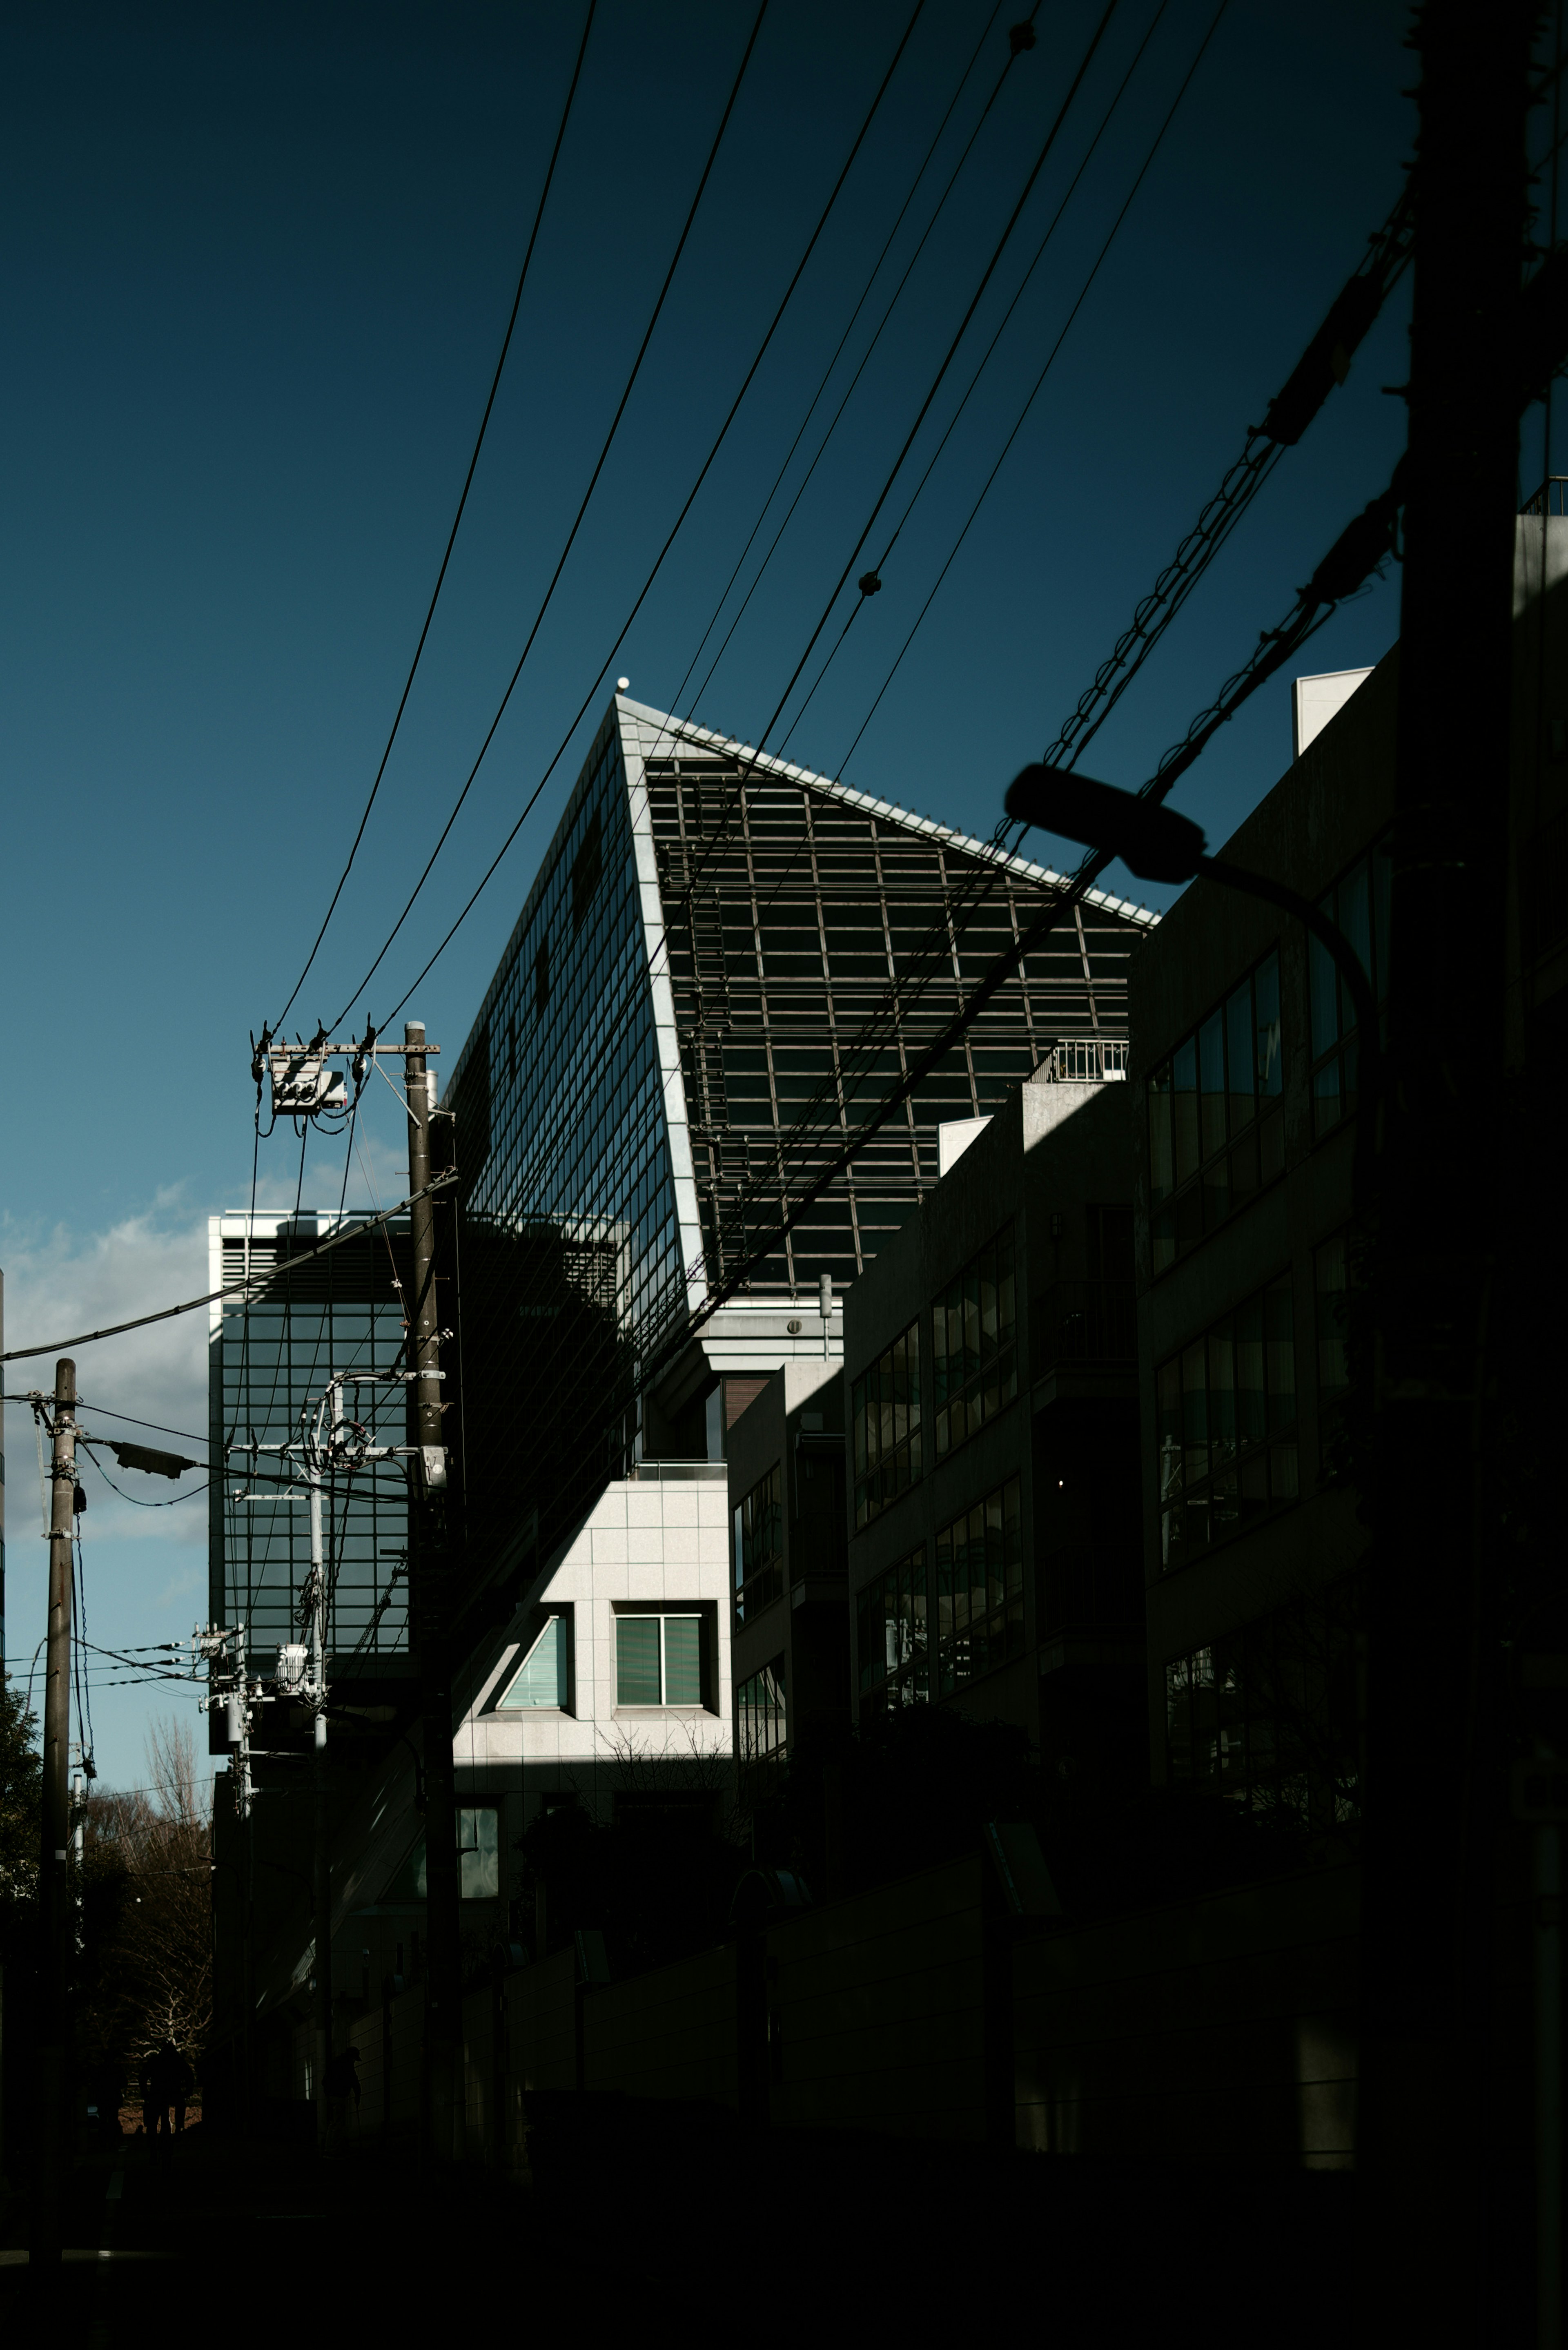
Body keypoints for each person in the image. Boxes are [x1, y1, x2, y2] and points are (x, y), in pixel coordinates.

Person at [145, 2039, 195, 2138]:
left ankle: (153, 2134)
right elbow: (190, 2077)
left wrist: (145, 2092)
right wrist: (188, 2091)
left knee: (156, 2116)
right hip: (173, 2091)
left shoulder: (155, 2061)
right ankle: (179, 2128)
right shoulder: (179, 2061)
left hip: (158, 2092)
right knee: (179, 2107)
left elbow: (143, 2077)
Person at [325, 2045, 361, 2112]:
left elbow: (325, 2080)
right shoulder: (348, 2066)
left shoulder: (335, 2062)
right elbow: (355, 2082)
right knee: (338, 2119)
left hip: (329, 2096)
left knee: (333, 2119)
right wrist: (358, 2096)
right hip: (339, 2096)